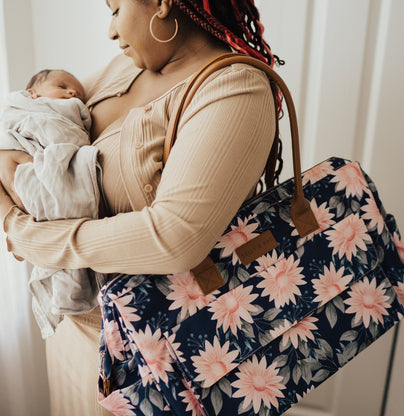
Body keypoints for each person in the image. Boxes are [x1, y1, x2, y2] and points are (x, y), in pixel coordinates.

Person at [0, 0, 280, 415]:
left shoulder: (234, 90)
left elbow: (174, 237)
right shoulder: (125, 67)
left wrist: (23, 231)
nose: (111, 32)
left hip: (150, 357)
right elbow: (31, 118)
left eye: (115, 9)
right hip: (73, 328)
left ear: (163, 4)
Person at [0, 69, 102, 339]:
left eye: (76, 92)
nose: (72, 93)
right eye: (62, 86)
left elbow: (72, 138)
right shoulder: (24, 107)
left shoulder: (71, 112)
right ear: (32, 94)